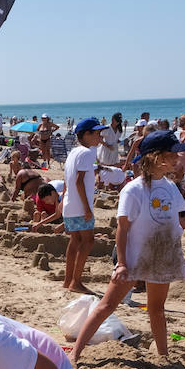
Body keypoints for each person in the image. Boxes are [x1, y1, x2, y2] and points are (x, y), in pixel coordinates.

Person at [70, 130, 185, 364]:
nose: (178, 159)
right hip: (134, 258)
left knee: (156, 308)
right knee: (106, 305)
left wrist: (183, 227)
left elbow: (178, 217)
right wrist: (122, 263)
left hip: (161, 256)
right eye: (173, 154)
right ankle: (76, 353)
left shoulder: (170, 187)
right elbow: (123, 228)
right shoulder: (133, 189)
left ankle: (163, 356)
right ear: (156, 157)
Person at [61, 118, 106, 294]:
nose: (99, 137)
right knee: (88, 240)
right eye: (96, 133)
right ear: (86, 135)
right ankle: (76, 281)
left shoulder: (74, 152)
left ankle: (68, 280)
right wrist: (87, 208)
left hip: (70, 204)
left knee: (75, 240)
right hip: (79, 205)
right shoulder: (87, 153)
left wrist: (62, 201)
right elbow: (80, 181)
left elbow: (68, 180)